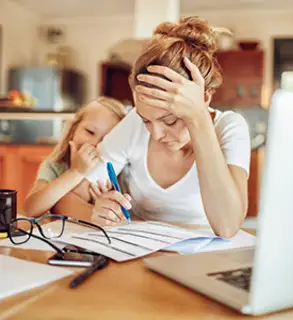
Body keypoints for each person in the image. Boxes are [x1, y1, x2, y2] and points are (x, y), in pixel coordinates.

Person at [54, 16, 251, 238]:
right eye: (146, 120)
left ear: (204, 98)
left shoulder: (229, 128)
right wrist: (95, 213)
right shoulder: (134, 124)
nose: (155, 134)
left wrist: (199, 122)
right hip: (139, 254)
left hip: (202, 260)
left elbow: (228, 226)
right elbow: (67, 199)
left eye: (170, 120)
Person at [24, 96, 128, 219]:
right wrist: (76, 172)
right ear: (73, 129)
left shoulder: (119, 172)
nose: (95, 143)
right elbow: (31, 209)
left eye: (106, 140)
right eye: (90, 132)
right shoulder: (55, 165)